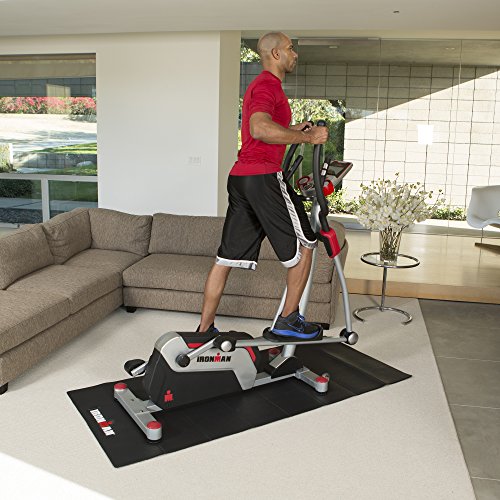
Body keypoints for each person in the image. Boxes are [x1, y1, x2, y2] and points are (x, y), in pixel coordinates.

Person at [197, 32, 328, 341]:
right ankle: (288, 320)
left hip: (241, 178)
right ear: (276, 54)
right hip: (263, 177)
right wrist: (308, 137)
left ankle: (203, 330)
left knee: (226, 258)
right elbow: (259, 128)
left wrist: (293, 129)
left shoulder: (261, 86)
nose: (295, 54)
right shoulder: (268, 85)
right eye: (291, 49)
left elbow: (263, 131)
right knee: (306, 243)